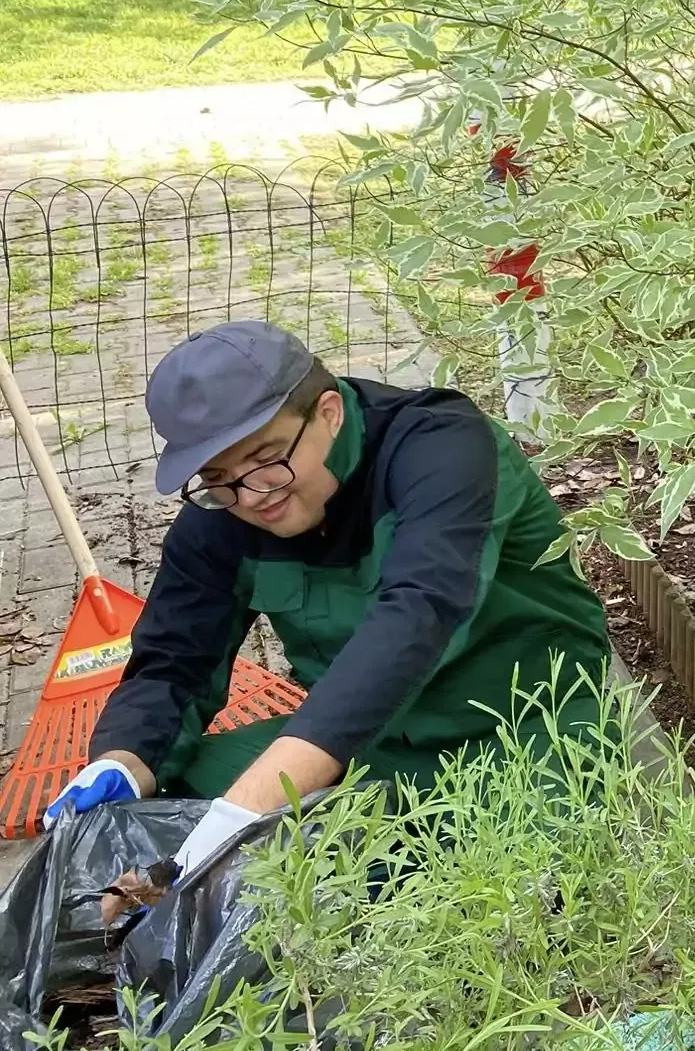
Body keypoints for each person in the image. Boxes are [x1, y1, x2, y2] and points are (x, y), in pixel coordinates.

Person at [39, 321, 614, 875]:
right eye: (218, 475)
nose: (252, 494)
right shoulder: (223, 510)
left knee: (516, 893)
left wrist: (243, 812)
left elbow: (420, 614)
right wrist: (123, 759)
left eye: (266, 458)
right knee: (151, 815)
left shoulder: (443, 448)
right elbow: (173, 663)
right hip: (371, 747)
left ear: (329, 413)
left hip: (528, 733)